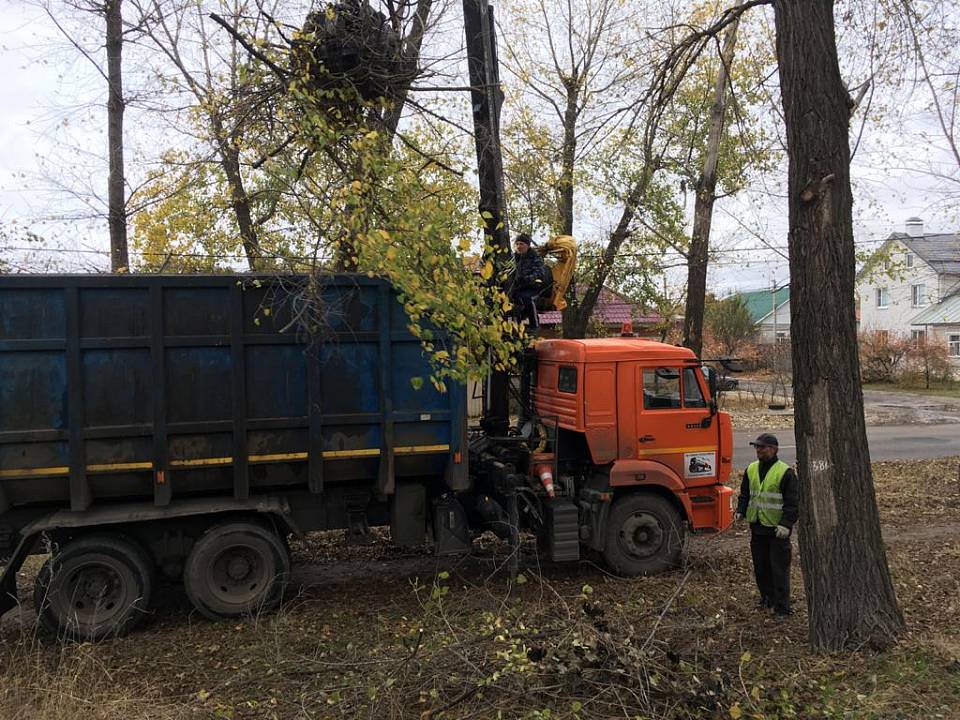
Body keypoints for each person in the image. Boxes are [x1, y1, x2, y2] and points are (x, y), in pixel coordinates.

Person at [734, 433, 799, 620]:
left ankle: (782, 608)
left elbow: (792, 503)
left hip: (777, 531)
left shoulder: (785, 473)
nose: (758, 450)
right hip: (758, 528)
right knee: (761, 568)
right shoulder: (751, 469)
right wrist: (741, 510)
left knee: (779, 570)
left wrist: (786, 524)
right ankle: (767, 598)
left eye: (762, 447)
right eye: (757, 447)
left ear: (773, 449)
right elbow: (745, 494)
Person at [508, 233, 550, 329]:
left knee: (526, 298)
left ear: (528, 245)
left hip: (532, 287)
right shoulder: (513, 258)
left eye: (521, 244)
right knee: (512, 298)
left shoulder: (535, 258)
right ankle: (517, 325)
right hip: (517, 287)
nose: (519, 246)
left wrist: (527, 278)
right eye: (517, 244)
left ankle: (534, 325)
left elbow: (540, 273)